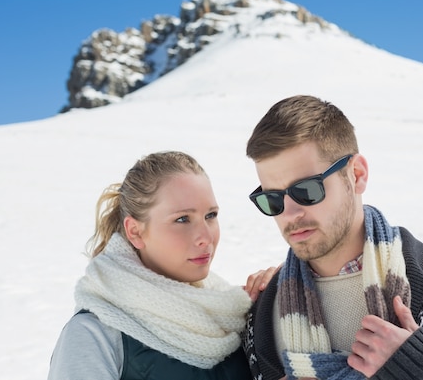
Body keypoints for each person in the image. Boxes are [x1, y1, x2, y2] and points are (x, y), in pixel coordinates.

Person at [242, 95, 423, 380]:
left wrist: (419, 371)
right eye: (273, 200)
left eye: (306, 190)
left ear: (356, 174)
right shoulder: (263, 311)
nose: (290, 214)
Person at [48, 151, 275, 380]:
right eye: (182, 219)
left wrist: (282, 297)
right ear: (135, 232)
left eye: (211, 215)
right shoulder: (93, 335)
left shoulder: (233, 314)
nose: (205, 237)